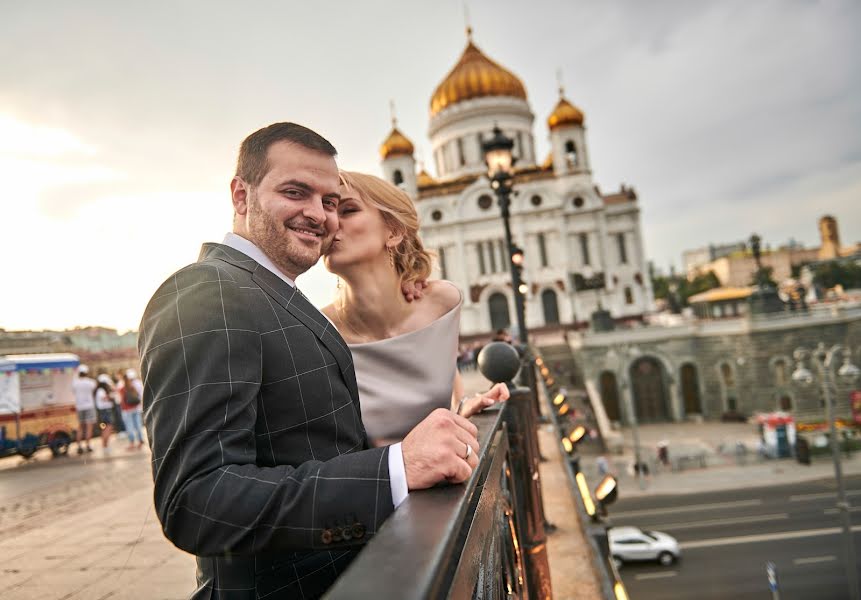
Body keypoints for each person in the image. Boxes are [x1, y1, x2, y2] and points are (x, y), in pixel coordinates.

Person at [138, 122, 483, 599]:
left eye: (328, 201)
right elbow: (199, 502)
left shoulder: (274, 295)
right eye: (295, 192)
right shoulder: (206, 291)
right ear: (241, 196)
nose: (320, 216)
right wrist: (394, 470)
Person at [321, 171, 508, 445]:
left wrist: (462, 409)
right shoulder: (318, 332)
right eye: (327, 210)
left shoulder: (442, 304)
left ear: (394, 231)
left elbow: (443, 373)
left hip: (449, 481)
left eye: (348, 209)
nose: (330, 222)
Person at [71, 365, 96, 454]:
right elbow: (93, 391)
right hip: (89, 406)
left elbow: (73, 391)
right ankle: (88, 445)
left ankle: (79, 446)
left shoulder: (75, 383)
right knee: (89, 427)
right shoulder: (91, 382)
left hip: (79, 407)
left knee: (80, 427)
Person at [120, 369, 144, 451]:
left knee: (129, 427)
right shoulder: (133, 387)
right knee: (138, 425)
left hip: (127, 410)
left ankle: (132, 443)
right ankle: (140, 441)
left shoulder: (122, 388)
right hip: (136, 408)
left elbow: (120, 400)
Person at [94, 374, 115, 454]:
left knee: (106, 429)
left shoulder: (99, 390)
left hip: (104, 411)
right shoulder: (101, 390)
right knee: (107, 428)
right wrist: (111, 396)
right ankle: (105, 446)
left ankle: (105, 445)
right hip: (105, 411)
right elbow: (104, 398)